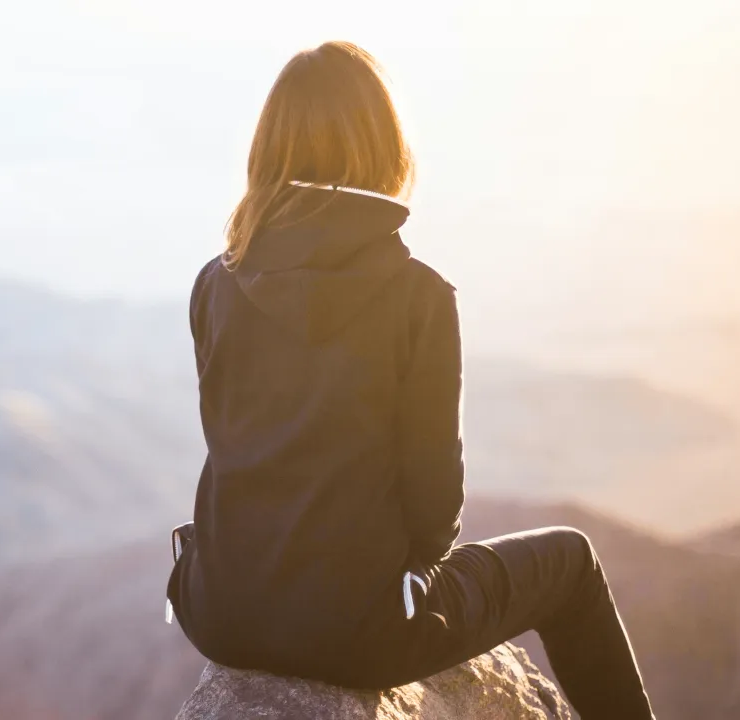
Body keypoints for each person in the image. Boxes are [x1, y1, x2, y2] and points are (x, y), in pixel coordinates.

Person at [165, 41, 656, 719]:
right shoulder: (418, 298)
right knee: (572, 561)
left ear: (268, 151)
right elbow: (434, 511)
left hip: (220, 613)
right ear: (383, 148)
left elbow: (240, 449)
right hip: (362, 635)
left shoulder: (214, 284)